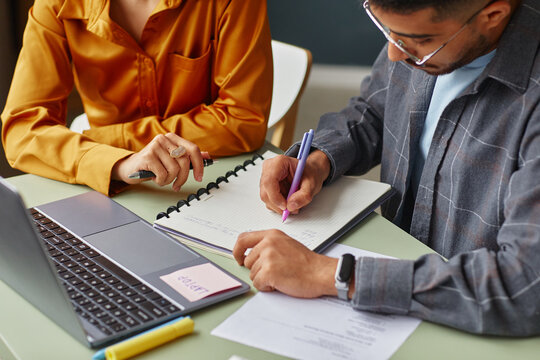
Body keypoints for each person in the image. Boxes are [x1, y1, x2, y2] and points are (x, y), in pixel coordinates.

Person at [233, 0, 540, 336]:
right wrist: (320, 159)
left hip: (468, 327)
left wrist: (332, 275)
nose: (394, 55)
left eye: (417, 42)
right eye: (387, 32)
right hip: (392, 301)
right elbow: (376, 108)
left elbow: (523, 286)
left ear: (492, 16)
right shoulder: (418, 33)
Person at [1, 0, 273, 196]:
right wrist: (118, 163)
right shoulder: (55, 5)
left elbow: (243, 119)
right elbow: (21, 129)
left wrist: (100, 141)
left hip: (210, 178)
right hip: (107, 184)